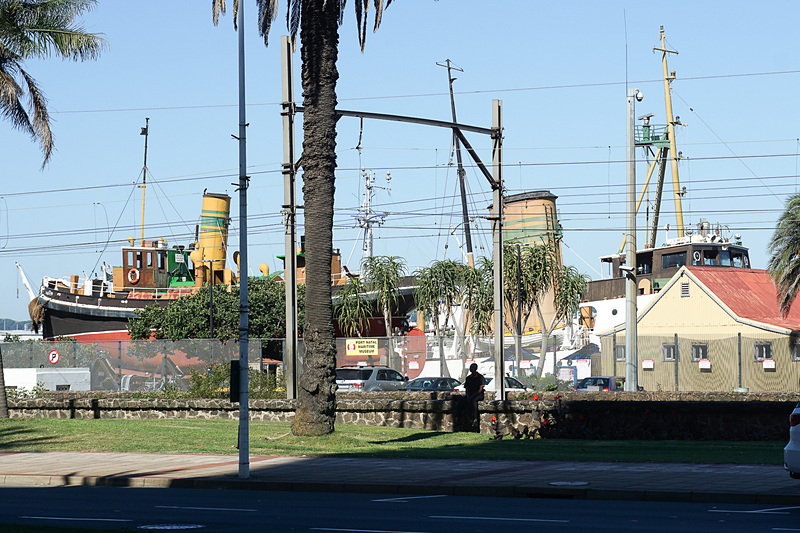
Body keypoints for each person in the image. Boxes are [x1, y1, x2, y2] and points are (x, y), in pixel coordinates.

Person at [464, 363, 485, 428]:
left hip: (478, 395)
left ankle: (475, 418)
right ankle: (460, 419)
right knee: (462, 401)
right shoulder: (468, 378)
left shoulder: (480, 377)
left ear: (475, 368)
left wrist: (472, 396)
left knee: (474, 401)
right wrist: (467, 396)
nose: (471, 369)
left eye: (472, 367)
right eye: (470, 367)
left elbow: (480, 389)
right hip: (470, 395)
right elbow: (467, 389)